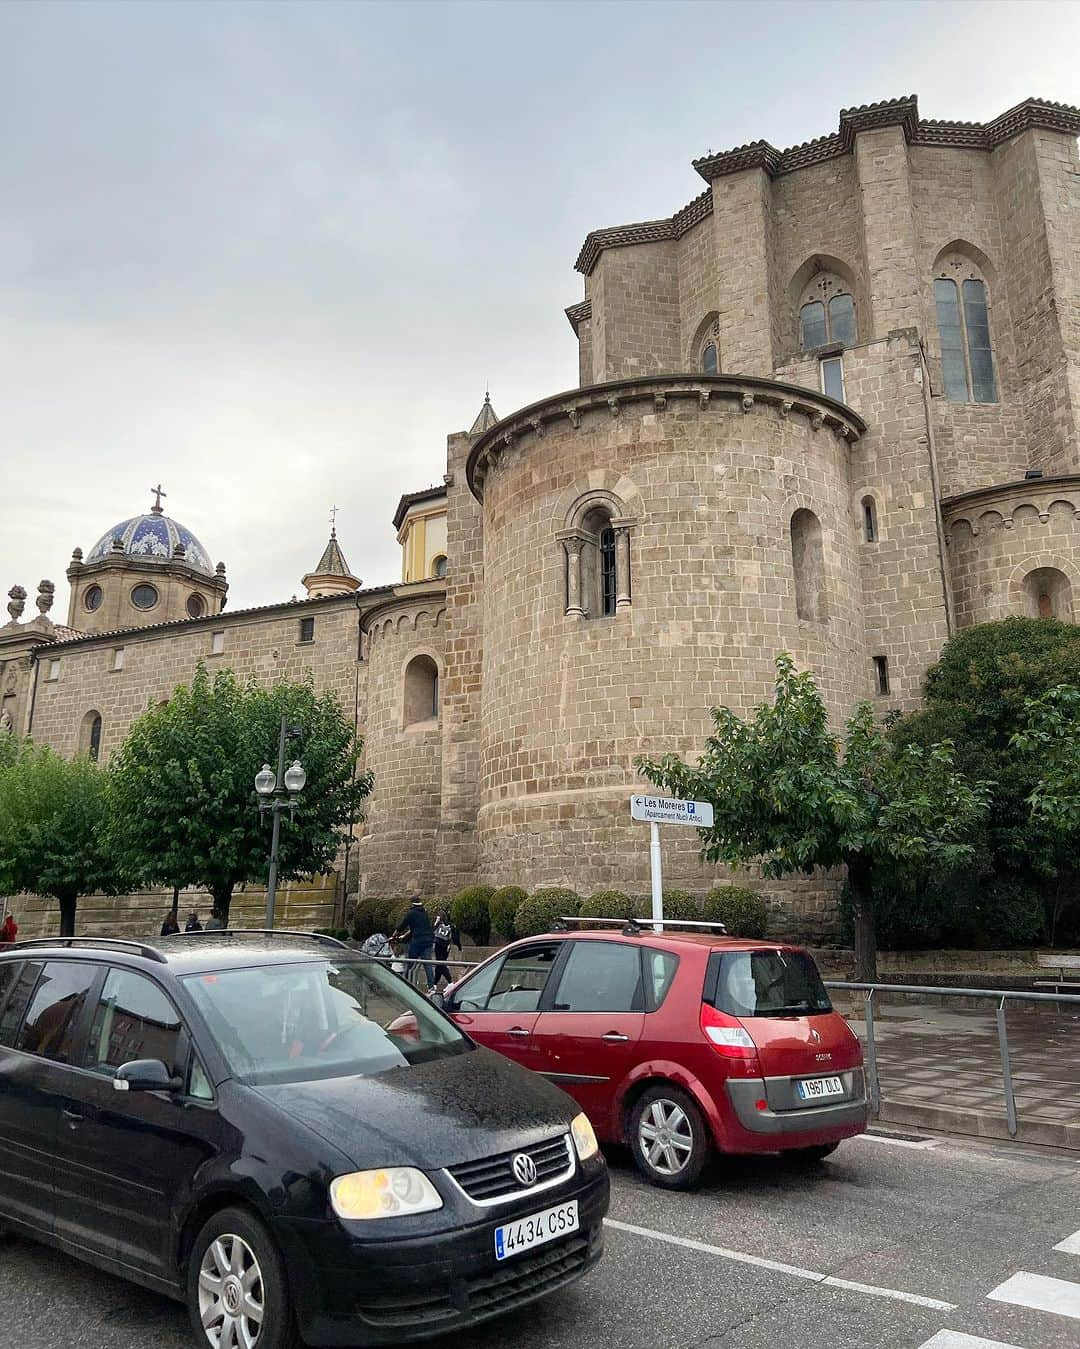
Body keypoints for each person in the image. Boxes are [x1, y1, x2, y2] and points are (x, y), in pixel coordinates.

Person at [391, 894, 435, 990]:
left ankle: (406, 983)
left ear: (412, 904)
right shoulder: (424, 912)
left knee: (410, 962)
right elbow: (415, 928)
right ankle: (431, 986)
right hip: (428, 941)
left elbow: (402, 926)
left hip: (417, 941)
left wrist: (393, 936)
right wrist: (405, 935)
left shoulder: (411, 913)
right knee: (427, 964)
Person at [432, 910, 461, 989]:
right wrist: (459, 946)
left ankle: (450, 982)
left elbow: (432, 931)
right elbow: (454, 937)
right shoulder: (450, 925)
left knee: (441, 964)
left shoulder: (438, 924)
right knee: (439, 965)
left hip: (439, 946)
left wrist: (436, 923)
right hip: (446, 947)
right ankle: (434, 983)